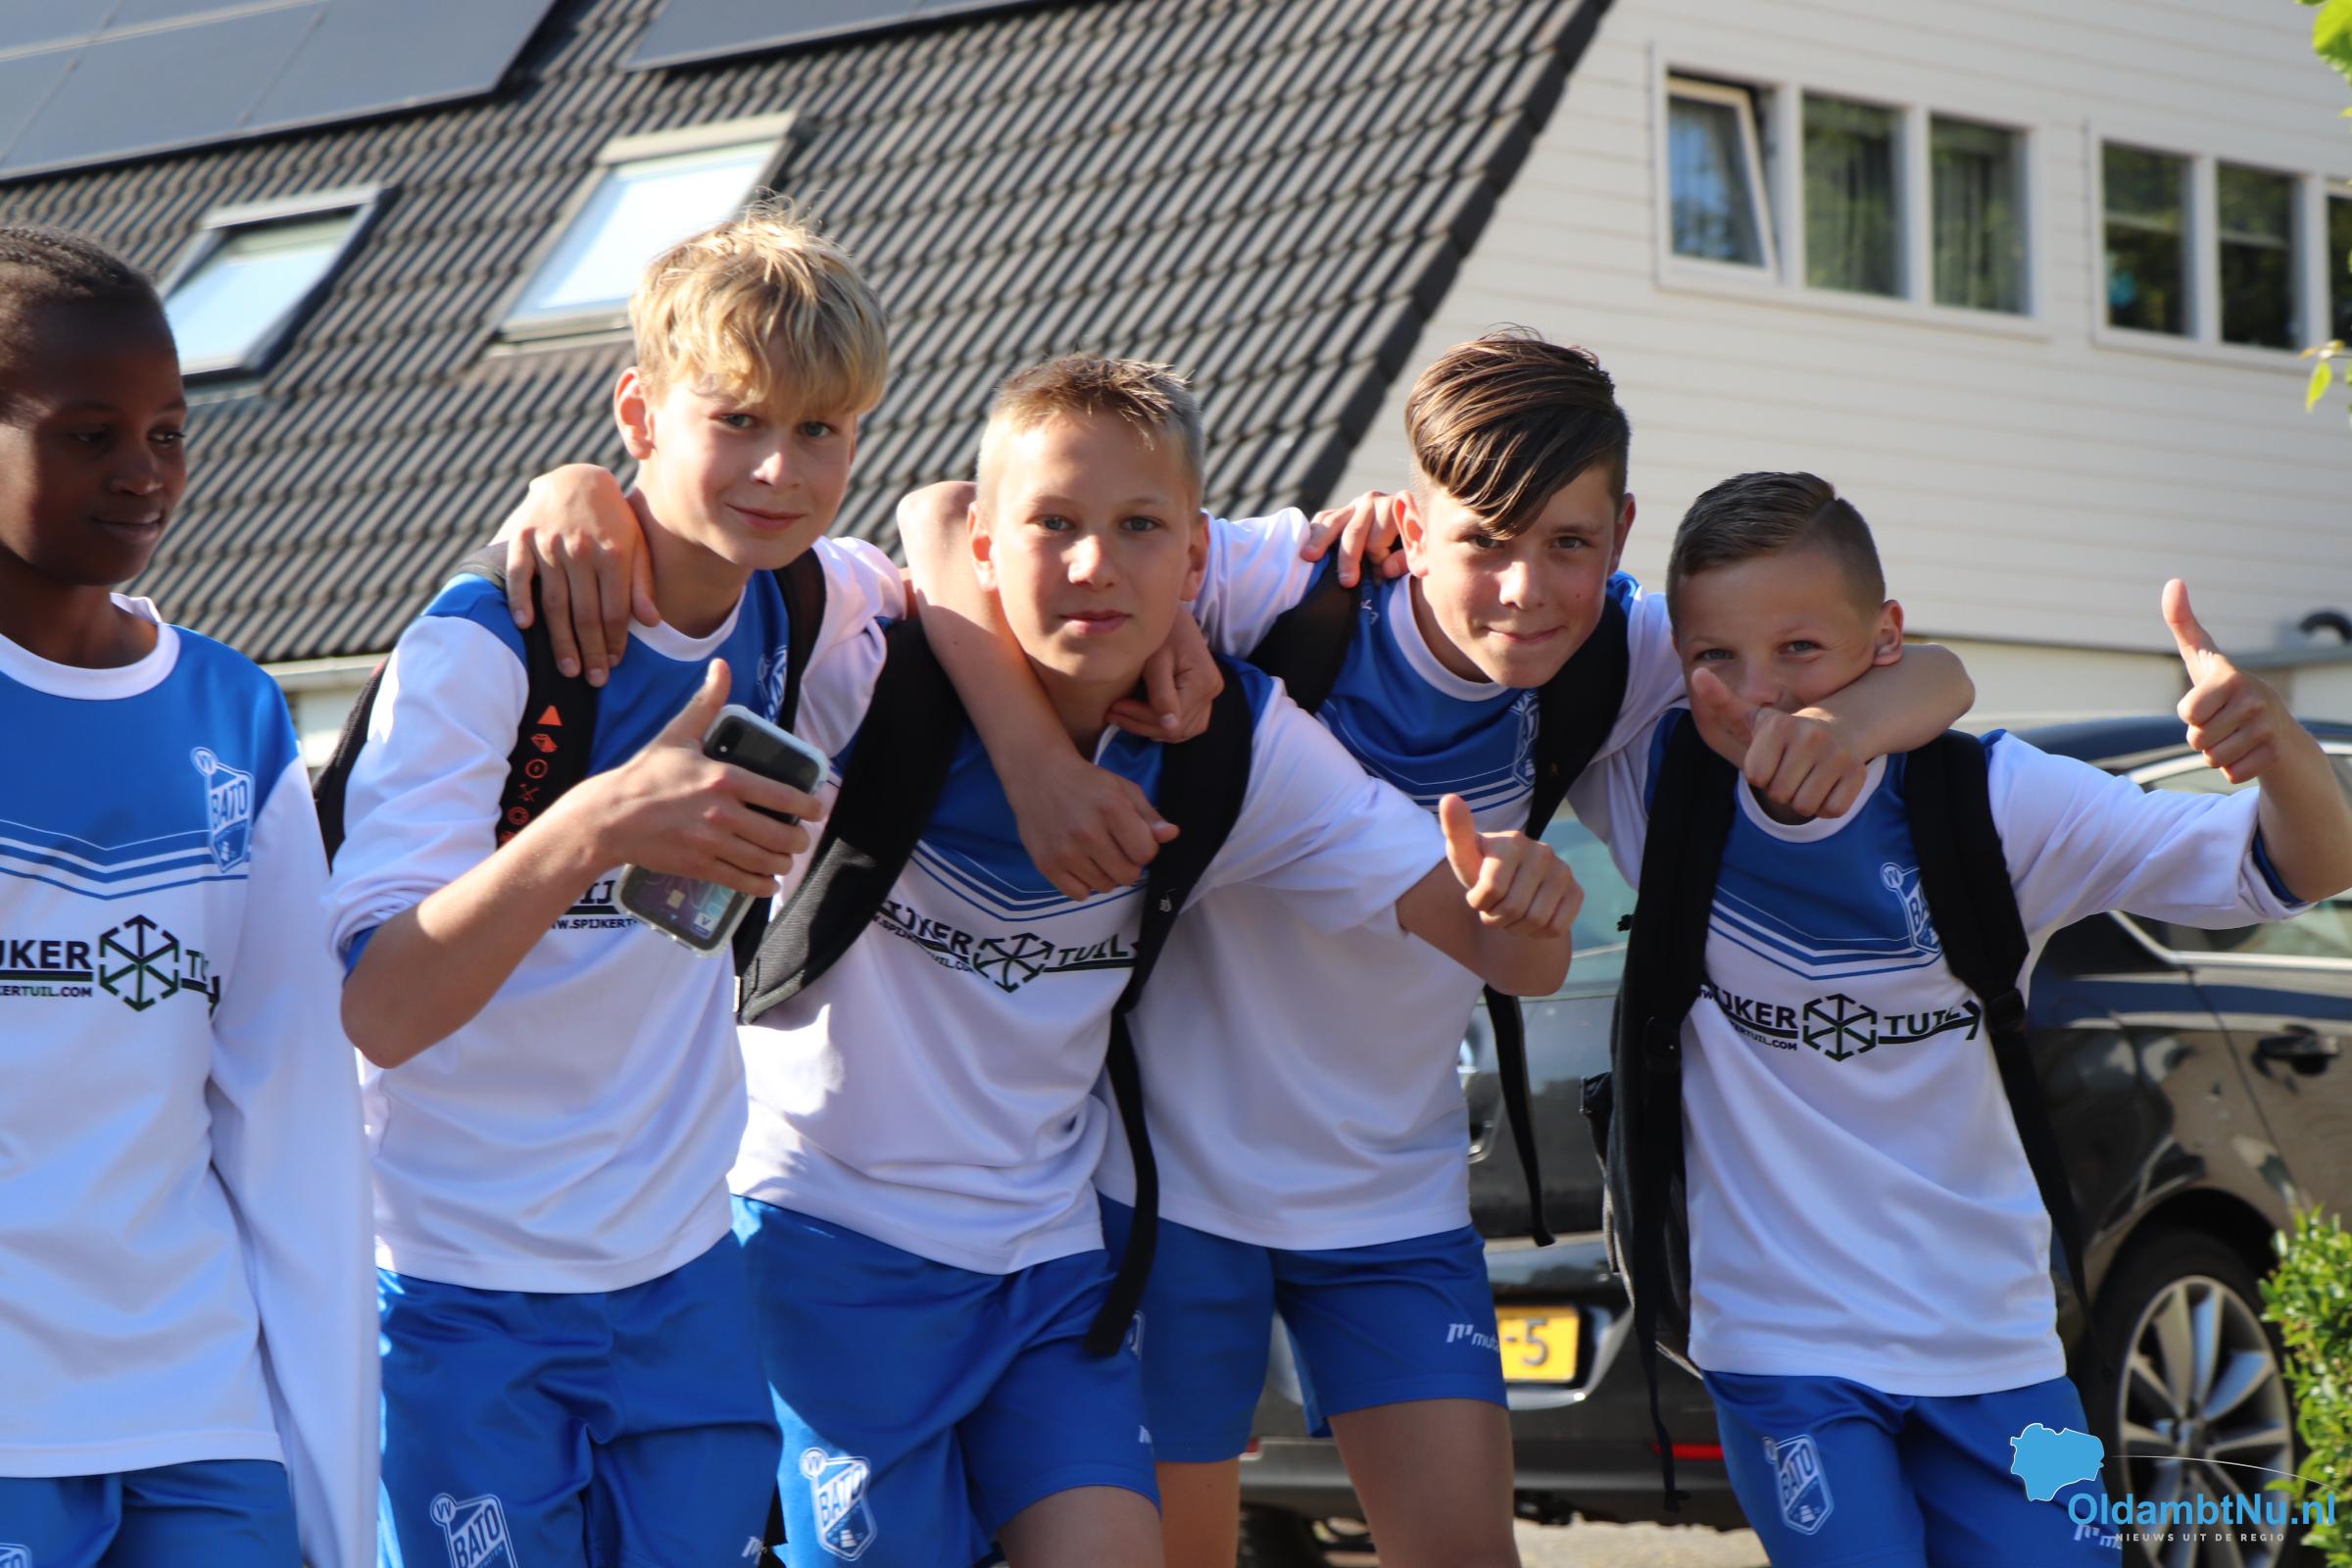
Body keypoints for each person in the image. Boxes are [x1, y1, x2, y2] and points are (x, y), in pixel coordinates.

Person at [894, 335, 1975, 1568]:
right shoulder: (1277, 586)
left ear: (1620, 533)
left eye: (1569, 543)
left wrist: (1842, 730)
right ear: (1409, 525)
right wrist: (1036, 764)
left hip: (1393, 1201)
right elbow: (946, 516)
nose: (1527, 588)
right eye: (1485, 541)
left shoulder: (1624, 651)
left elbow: (1936, 674)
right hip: (1170, 1193)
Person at [715, 353, 1586, 1567]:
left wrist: (1531, 905)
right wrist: (574, 495)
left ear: (1194, 565)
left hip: (1051, 1265)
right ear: (986, 548)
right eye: (1053, 525)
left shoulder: (1238, 743)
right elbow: (756, 546)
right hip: (830, 1244)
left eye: (1137, 529)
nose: (1093, 565)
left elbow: (1502, 948)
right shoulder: (862, 656)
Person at [1577, 470, 2352, 1568]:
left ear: (1884, 638)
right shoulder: (1651, 778)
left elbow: (2297, 867)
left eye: (1801, 649)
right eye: (1717, 657)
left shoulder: (2000, 799)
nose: (1758, 696)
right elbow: (1516, 614)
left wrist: (2282, 752)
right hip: (1780, 1349)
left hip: (1999, 1351)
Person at [328, 202, 903, 1566]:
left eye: (820, 429)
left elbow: (961, 539)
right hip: (454, 1282)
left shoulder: (811, 600)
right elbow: (378, 1009)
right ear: (640, 411)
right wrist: (595, 825)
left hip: (680, 1278)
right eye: (737, 420)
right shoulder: (484, 644)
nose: (780, 468)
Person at [0, 225, 374, 1567]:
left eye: (167, 431)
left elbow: (292, 1109)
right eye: (89, 434)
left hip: (201, 1413)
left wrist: (329, 1461)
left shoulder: (236, 710)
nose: (143, 473)